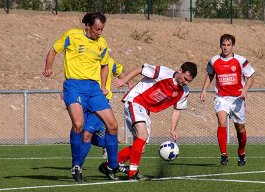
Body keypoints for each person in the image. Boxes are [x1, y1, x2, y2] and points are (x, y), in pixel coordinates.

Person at [42, 12, 120, 182]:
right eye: (97, 29)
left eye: (102, 30)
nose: (99, 33)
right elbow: (54, 50)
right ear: (87, 26)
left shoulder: (102, 43)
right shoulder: (72, 35)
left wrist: (103, 86)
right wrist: (48, 67)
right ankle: (76, 164)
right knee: (78, 124)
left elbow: (105, 65)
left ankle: (113, 165)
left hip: (93, 89)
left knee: (113, 125)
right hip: (74, 86)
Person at [99, 61, 197, 180]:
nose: (185, 82)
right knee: (143, 135)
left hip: (145, 109)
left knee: (141, 147)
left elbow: (177, 110)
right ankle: (132, 173)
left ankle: (108, 166)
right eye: (185, 78)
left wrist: (173, 129)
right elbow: (141, 68)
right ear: (180, 70)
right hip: (136, 100)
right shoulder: (163, 72)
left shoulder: (184, 92)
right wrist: (123, 81)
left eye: (189, 81)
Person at [200, 34, 255, 166]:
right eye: (223, 45)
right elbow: (210, 75)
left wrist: (245, 89)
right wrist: (204, 90)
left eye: (228, 45)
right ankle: (224, 154)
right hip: (221, 97)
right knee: (221, 121)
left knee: (240, 129)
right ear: (220, 45)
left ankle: (241, 152)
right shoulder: (214, 60)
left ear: (233, 46)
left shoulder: (240, 60)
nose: (225, 48)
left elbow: (251, 77)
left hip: (237, 99)